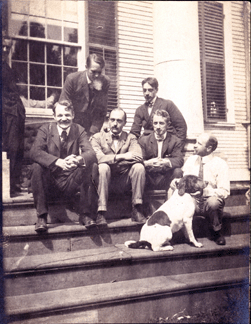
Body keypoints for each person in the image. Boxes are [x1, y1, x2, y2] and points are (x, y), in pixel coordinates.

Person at [30, 100, 98, 233]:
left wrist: (78, 159)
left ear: (73, 115)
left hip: (70, 181)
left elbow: (91, 153)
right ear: (54, 116)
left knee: (93, 166)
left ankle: (85, 214)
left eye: (67, 115)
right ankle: (42, 217)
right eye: (60, 115)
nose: (64, 119)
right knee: (36, 166)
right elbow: (34, 152)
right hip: (50, 182)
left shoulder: (79, 129)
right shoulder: (46, 129)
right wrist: (57, 161)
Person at [90, 108, 147, 225]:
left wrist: (110, 159)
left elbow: (137, 156)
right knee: (103, 167)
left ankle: (137, 209)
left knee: (138, 167)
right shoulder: (97, 137)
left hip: (123, 181)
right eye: (112, 120)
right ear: (108, 121)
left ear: (125, 123)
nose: (115, 124)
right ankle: (101, 212)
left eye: (119, 121)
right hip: (103, 180)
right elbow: (98, 158)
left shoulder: (130, 138)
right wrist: (123, 156)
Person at [173, 133, 230, 245]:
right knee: (176, 196)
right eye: (195, 142)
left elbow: (225, 191)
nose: (194, 145)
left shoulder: (220, 164)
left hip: (208, 201)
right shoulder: (191, 160)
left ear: (209, 148)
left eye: (198, 143)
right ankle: (177, 230)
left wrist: (205, 192)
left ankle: (216, 231)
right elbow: (184, 181)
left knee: (213, 202)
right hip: (192, 200)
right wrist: (176, 181)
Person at [59, 53, 110, 137]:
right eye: (93, 72)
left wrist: (93, 132)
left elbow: (101, 111)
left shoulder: (105, 82)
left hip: (91, 128)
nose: (96, 75)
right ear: (86, 67)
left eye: (99, 72)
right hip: (71, 124)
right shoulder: (72, 79)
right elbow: (63, 107)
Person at [130, 77, 187, 148]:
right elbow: (134, 132)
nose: (147, 93)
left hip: (166, 146)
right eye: (144, 90)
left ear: (156, 90)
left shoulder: (167, 104)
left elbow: (181, 127)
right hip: (149, 147)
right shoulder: (140, 110)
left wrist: (178, 147)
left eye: (150, 90)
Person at [2, 33, 26, 196]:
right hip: (4, 113)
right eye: (2, 46)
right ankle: (7, 185)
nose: (5, 49)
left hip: (14, 113)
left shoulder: (6, 67)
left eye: (8, 47)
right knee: (8, 148)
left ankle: (13, 184)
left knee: (15, 148)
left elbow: (16, 92)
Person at [139, 109, 184, 191]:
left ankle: (174, 200)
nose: (158, 127)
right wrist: (148, 163)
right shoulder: (143, 140)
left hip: (166, 177)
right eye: (155, 123)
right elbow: (139, 160)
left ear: (168, 124)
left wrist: (166, 162)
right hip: (149, 177)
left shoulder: (175, 141)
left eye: (161, 123)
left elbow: (179, 160)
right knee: (139, 171)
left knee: (178, 171)